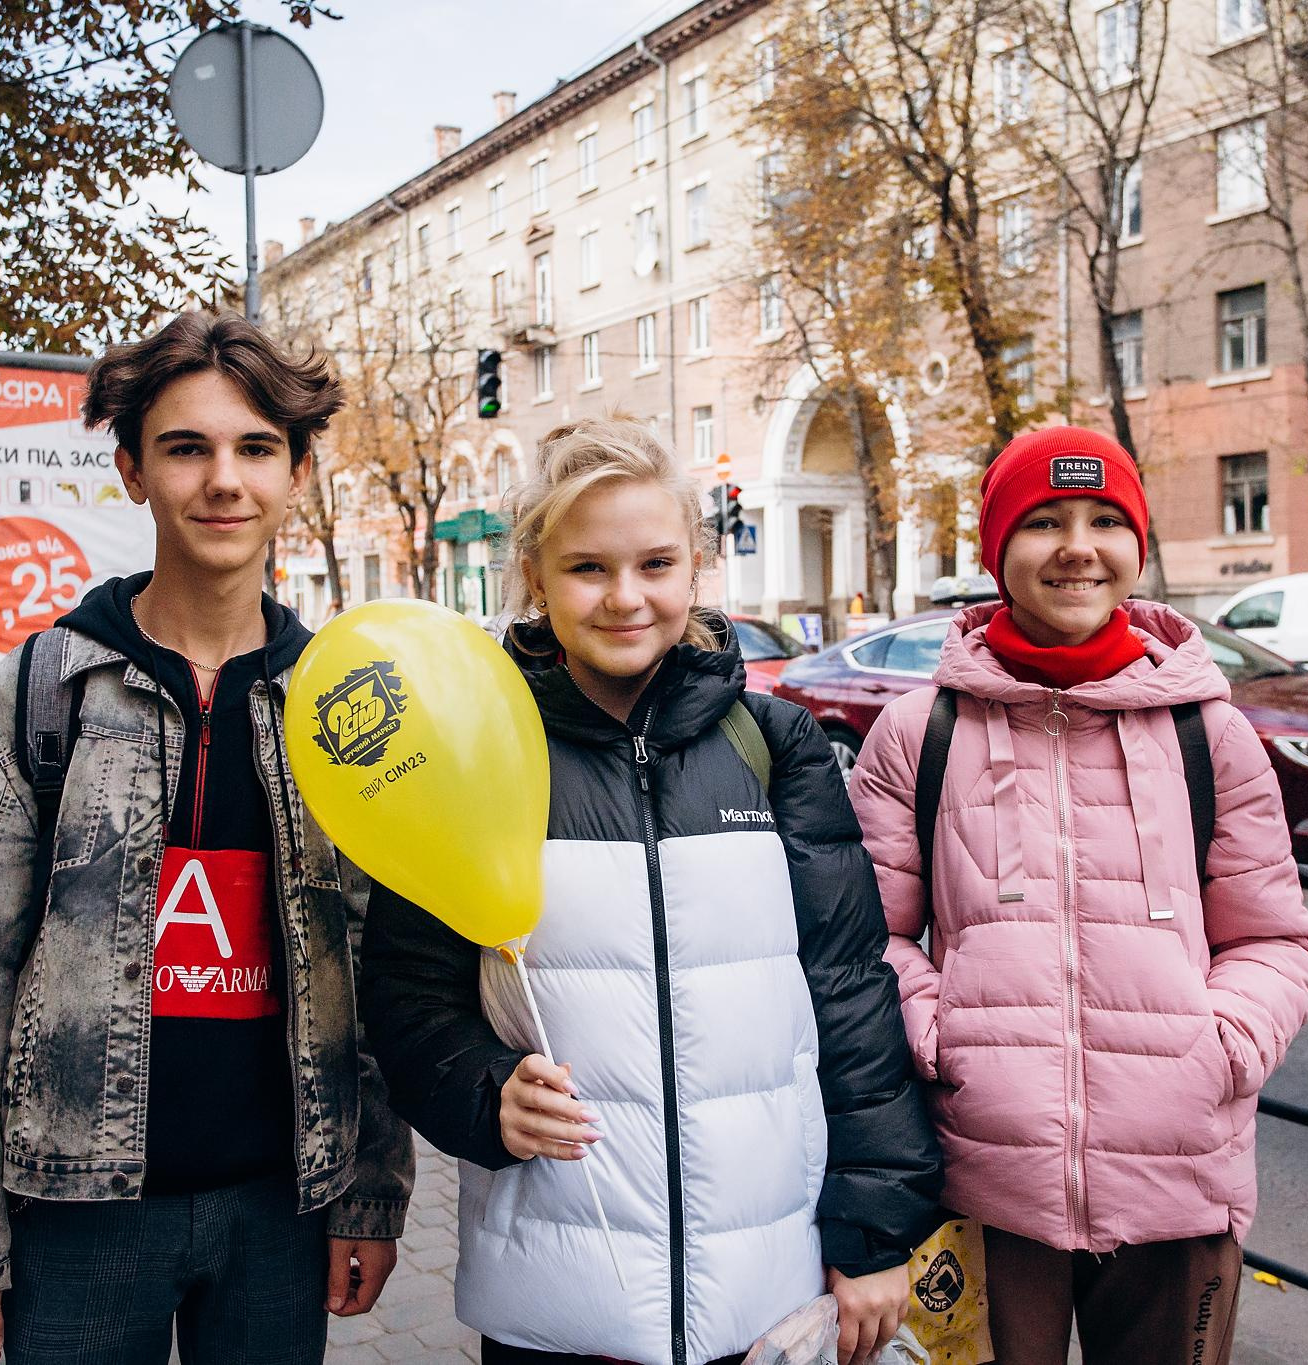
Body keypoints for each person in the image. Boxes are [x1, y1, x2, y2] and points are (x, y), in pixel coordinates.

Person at [360, 417, 943, 1365]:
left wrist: (876, 1230)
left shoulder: (774, 744)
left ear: (696, 568)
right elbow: (405, 992)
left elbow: (847, 991)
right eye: (589, 568)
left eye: (656, 564)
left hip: (764, 1294)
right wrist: (482, 1091)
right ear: (536, 581)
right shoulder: (470, 759)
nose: (626, 597)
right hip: (554, 1299)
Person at [0, 311, 414, 1365]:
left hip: (281, 1210)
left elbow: (377, 964)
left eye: (255, 448)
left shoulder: (347, 707)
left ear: (297, 471)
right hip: (79, 1216)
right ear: (132, 471)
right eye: (186, 448)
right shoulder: (35, 694)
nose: (222, 480)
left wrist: (369, 1188)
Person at [848, 426, 1308, 1365]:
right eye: (1045, 521)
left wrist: (1218, 1047)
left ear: (1136, 546)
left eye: (1106, 519)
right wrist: (946, 1036)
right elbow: (867, 938)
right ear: (997, 551)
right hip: (982, 1178)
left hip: (1178, 1176)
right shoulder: (918, 733)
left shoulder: (1210, 735)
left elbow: (1275, 940)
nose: (1079, 545)